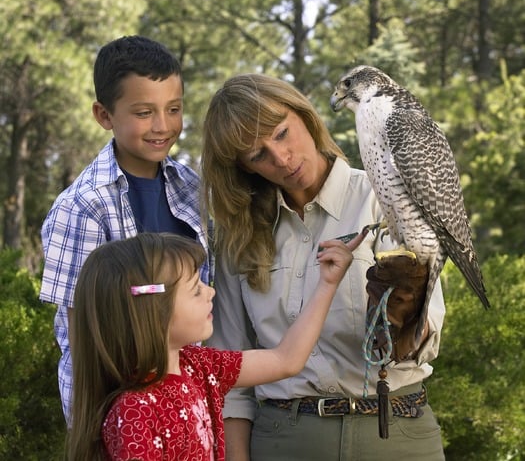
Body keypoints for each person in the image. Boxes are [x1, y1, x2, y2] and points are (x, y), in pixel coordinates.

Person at [201, 74, 447, 460]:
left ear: (306, 117)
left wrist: (403, 316)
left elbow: (425, 343)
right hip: (284, 439)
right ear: (244, 167)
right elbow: (230, 377)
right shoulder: (238, 236)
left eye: (282, 133)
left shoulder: (383, 198)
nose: (280, 158)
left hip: (395, 431)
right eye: (257, 155)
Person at [67, 230, 362, 460]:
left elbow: (286, 360)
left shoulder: (198, 366)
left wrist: (328, 284)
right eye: (195, 290)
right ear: (153, 311)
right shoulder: (134, 413)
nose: (211, 292)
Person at [39, 35, 212, 425]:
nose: (163, 126)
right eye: (144, 112)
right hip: (122, 415)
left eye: (174, 109)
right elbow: (80, 336)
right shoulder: (83, 207)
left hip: (191, 406)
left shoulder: (191, 187)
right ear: (104, 115)